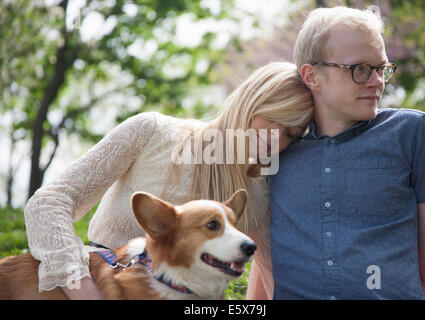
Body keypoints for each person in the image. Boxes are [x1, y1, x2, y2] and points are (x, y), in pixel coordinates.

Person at [24, 62, 314, 299]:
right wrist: (86, 293)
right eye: (274, 117)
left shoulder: (261, 189)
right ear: (251, 98)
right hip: (98, 285)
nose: (277, 137)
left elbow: (272, 276)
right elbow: (48, 202)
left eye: (291, 134)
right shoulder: (151, 132)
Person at [248, 6, 425, 300]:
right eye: (360, 69)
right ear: (312, 76)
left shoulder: (412, 132)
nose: (377, 81)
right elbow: (267, 256)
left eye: (381, 69)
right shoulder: (279, 148)